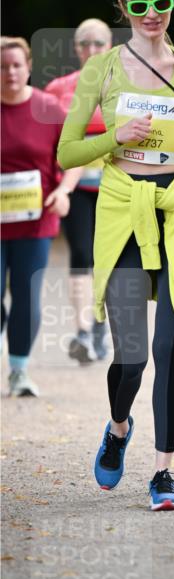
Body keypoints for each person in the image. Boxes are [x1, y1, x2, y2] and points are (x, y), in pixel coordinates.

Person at [57, 0, 174, 511]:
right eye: (140, 4)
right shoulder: (99, 70)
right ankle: (118, 426)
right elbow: (68, 151)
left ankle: (164, 473)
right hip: (123, 211)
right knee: (132, 357)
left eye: (162, 2)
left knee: (170, 348)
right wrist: (116, 134)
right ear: (123, 8)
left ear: (172, 1)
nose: (152, 13)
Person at [1, 36, 82, 397]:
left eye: (17, 65)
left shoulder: (48, 108)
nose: (10, 72)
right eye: (3, 67)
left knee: (26, 295)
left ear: (29, 67)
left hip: (35, 223)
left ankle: (19, 371)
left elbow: (78, 155)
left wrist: (64, 191)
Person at [45, 18, 113, 364]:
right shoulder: (58, 89)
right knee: (81, 255)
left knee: (110, 259)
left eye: (98, 43)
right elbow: (48, 140)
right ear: (75, 49)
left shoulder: (126, 84)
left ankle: (101, 326)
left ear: (110, 46)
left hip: (117, 186)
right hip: (76, 187)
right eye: (85, 44)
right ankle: (83, 331)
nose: (91, 50)